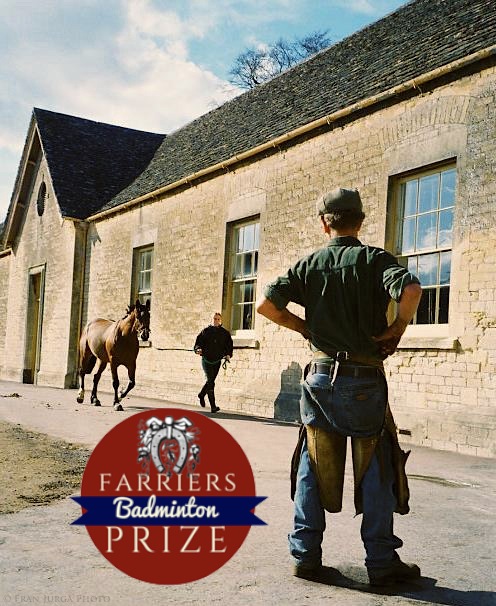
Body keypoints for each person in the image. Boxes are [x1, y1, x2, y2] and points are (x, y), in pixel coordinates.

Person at [256, 187, 423, 586]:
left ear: (323, 223)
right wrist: (396, 329)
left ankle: (305, 556)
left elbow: (265, 305)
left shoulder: (309, 264)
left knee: (312, 464)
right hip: (364, 378)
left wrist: (304, 327)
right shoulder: (374, 260)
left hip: (318, 376)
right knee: (375, 467)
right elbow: (412, 289)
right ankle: (382, 563)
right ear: (360, 221)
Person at [194, 312, 233, 413]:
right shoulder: (205, 331)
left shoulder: (225, 333)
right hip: (206, 360)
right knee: (211, 381)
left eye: (218, 319)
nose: (216, 321)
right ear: (212, 320)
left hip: (217, 361)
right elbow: (198, 343)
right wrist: (198, 349)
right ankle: (213, 406)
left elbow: (229, 345)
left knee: (211, 381)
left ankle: (201, 394)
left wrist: (228, 354)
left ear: (221, 320)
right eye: (215, 319)